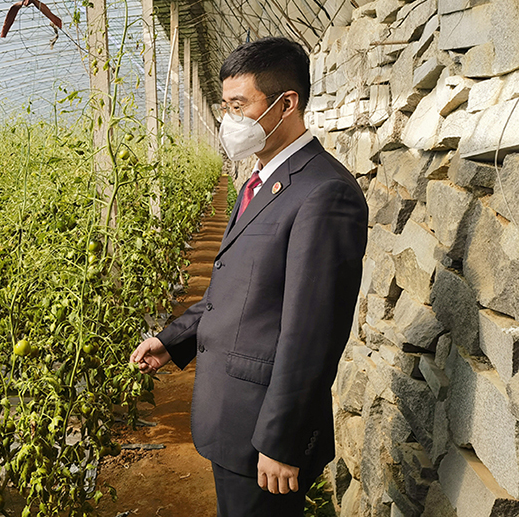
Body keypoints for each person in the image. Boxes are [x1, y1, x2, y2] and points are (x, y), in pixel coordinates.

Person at [130, 37, 369, 517]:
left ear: (286, 104)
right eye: (225, 105)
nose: (229, 120)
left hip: (264, 434)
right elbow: (236, 291)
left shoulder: (324, 193)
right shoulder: (259, 181)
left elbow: (313, 333)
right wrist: (173, 339)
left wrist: (282, 439)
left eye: (239, 105)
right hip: (233, 415)